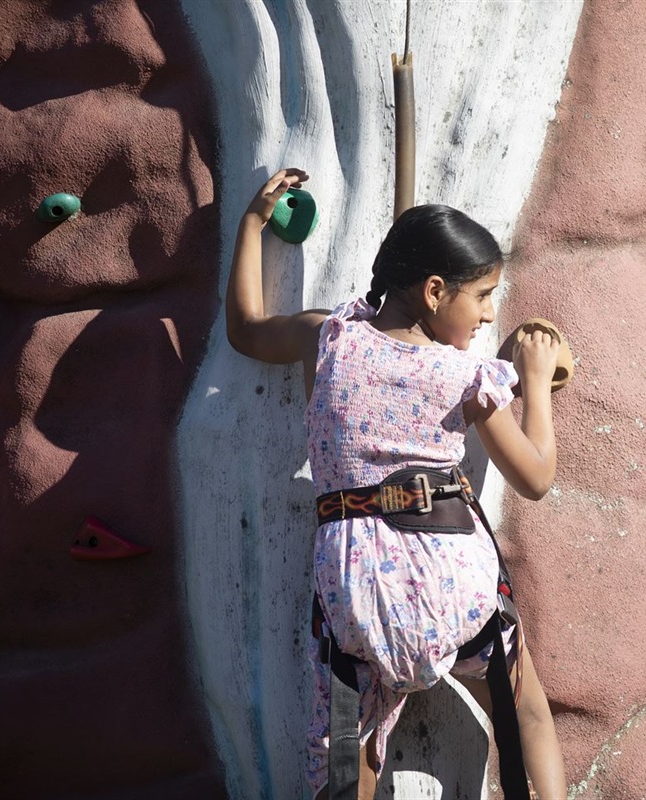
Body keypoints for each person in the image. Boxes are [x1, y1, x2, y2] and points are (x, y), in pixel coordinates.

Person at [225, 168, 567, 799]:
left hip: (358, 592)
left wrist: (251, 223)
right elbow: (536, 476)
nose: (490, 314)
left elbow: (245, 327)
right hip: (451, 586)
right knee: (526, 712)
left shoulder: (328, 339)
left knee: (347, 757)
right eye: (482, 295)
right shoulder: (465, 376)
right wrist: (537, 381)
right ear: (434, 291)